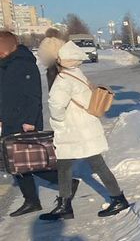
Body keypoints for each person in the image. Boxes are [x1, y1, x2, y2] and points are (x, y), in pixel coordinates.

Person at [39, 40, 129, 221]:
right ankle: (65, 204)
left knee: (93, 165)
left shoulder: (63, 79)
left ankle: (118, 199)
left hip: (74, 130)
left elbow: (56, 105)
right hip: (84, 128)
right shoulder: (77, 73)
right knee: (66, 166)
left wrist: (58, 122)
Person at [0, 30, 53, 216]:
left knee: (31, 161)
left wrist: (30, 121)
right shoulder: (4, 65)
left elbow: (33, 95)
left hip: (23, 122)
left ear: (8, 46)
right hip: (9, 120)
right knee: (15, 163)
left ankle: (65, 181)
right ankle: (31, 200)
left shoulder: (23, 64)